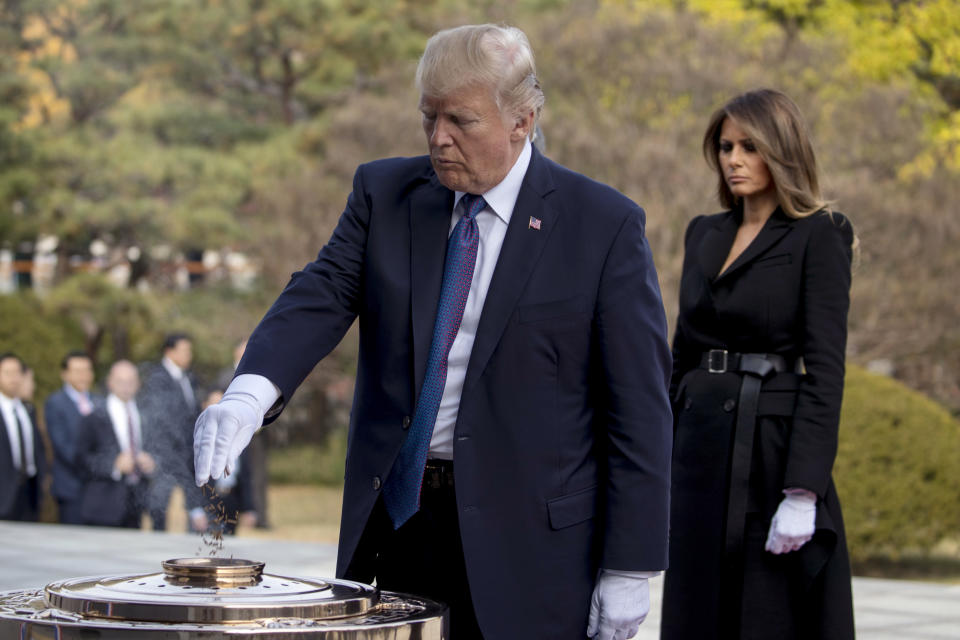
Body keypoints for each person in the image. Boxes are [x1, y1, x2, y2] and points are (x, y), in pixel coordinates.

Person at [194, 24, 673, 640]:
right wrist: (248, 395)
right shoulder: (384, 194)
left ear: (521, 121)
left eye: (461, 121)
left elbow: (638, 410)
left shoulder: (601, 225)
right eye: (429, 117)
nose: (439, 139)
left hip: (535, 549)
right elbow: (322, 292)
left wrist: (630, 566)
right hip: (402, 527)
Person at [661, 89, 855, 639]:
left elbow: (825, 369)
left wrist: (802, 491)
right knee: (695, 608)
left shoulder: (821, 232)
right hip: (698, 447)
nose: (734, 159)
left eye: (750, 146)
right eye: (725, 147)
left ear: (782, 150)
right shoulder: (704, 230)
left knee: (765, 612)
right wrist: (664, 445)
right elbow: (682, 351)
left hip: (768, 450)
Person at [74, 360, 156, 528]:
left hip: (136, 504)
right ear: (110, 383)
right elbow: (80, 459)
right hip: (103, 506)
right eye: (121, 381)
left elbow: (160, 449)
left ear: (138, 384)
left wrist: (152, 462)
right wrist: (113, 466)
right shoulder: (94, 415)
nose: (126, 386)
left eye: (130, 382)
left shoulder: (146, 414)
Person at [138, 333, 206, 532]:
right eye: (185, 350)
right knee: (160, 506)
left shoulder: (189, 378)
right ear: (169, 351)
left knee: (195, 506)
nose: (189, 355)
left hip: (188, 451)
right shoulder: (156, 378)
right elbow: (159, 418)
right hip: (164, 453)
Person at [214, 339, 270, 529]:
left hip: (256, 436)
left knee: (257, 476)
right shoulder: (226, 376)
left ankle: (259, 515)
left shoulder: (261, 374)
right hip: (232, 435)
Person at [44, 351, 99, 524]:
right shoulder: (55, 403)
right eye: (77, 370)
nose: (83, 375)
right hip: (71, 487)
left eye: (87, 370)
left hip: (98, 489)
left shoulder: (100, 402)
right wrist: (96, 465)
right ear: (65, 374)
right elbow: (63, 447)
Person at [0, 353, 47, 521]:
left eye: (17, 373)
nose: (14, 378)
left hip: (28, 494)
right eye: (7, 373)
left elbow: (37, 449)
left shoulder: (28, 409)